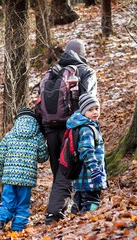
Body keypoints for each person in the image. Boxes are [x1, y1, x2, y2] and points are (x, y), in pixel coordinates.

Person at [39, 39, 98, 224]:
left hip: (50, 128)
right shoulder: (85, 71)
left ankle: (60, 212)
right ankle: (60, 214)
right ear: (83, 53)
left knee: (59, 173)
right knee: (73, 170)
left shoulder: (53, 72)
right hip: (72, 126)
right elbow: (88, 99)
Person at [0, 107, 49, 233]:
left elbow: (1, 158)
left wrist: (2, 174)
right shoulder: (37, 136)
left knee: (7, 201)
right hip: (26, 179)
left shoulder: (9, 136)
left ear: (17, 120)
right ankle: (17, 229)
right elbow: (42, 157)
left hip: (9, 177)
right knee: (22, 204)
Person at [66, 94, 108, 214]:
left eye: (96, 109)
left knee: (79, 201)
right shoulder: (87, 129)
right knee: (92, 202)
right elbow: (87, 151)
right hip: (90, 175)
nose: (95, 112)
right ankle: (88, 223)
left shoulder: (87, 126)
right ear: (83, 112)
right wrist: (95, 169)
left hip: (84, 176)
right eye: (90, 110)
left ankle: (74, 223)